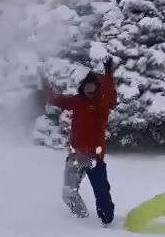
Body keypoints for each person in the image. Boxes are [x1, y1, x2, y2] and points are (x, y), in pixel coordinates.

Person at [41, 58, 117, 227]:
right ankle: (80, 219)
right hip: (75, 156)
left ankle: (107, 222)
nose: (89, 88)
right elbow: (58, 100)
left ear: (97, 88)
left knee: (102, 193)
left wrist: (108, 75)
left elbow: (110, 96)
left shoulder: (101, 105)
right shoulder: (77, 101)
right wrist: (45, 88)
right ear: (83, 87)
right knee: (68, 193)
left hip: (93, 157)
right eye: (87, 85)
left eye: (93, 85)